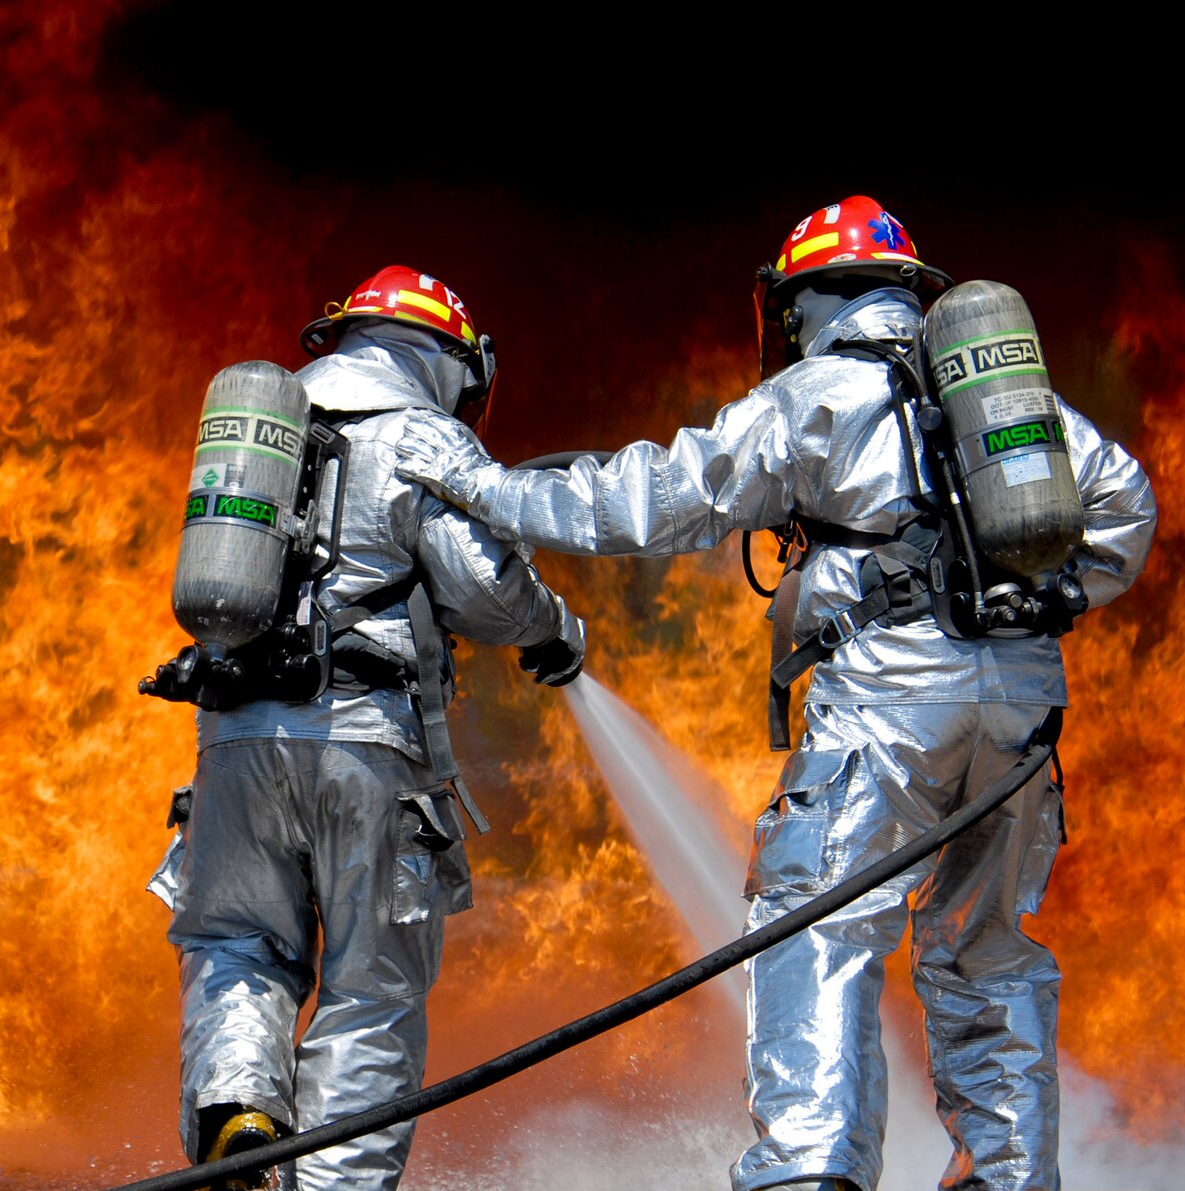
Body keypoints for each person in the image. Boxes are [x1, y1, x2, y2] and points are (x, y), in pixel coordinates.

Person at [391, 198, 1157, 1191]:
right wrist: (1032, 599)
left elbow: (650, 502)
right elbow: (1123, 505)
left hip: (885, 701)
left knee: (814, 924)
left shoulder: (814, 397)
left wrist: (487, 491)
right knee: (987, 953)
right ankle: (1007, 1170)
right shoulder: (1005, 403)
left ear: (800, 305)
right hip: (1019, 714)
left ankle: (809, 1169)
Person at [144, 266, 587, 1191]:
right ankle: (334, 1185)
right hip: (364, 743)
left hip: (233, 740)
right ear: (451, 361)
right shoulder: (421, 436)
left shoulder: (266, 425)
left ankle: (242, 1117)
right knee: (369, 990)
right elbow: (483, 589)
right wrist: (553, 630)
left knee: (236, 945)